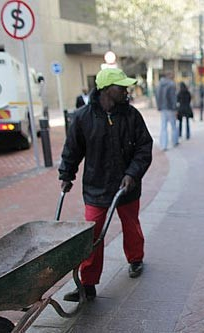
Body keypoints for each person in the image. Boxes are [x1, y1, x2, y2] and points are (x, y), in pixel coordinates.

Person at [58, 68, 153, 302]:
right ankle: (87, 284)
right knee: (91, 236)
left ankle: (135, 259)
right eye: (121, 87)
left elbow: (144, 148)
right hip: (96, 188)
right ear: (106, 90)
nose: (126, 90)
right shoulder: (82, 117)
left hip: (126, 188)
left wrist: (132, 173)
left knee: (131, 226)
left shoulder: (132, 116)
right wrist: (66, 175)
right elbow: (72, 150)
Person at [155, 71, 178, 151]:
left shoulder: (159, 84)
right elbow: (173, 98)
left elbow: (157, 96)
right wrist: (175, 108)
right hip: (170, 108)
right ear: (170, 75)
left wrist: (159, 106)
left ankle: (163, 145)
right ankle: (175, 141)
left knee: (163, 127)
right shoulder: (171, 84)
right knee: (174, 126)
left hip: (163, 108)